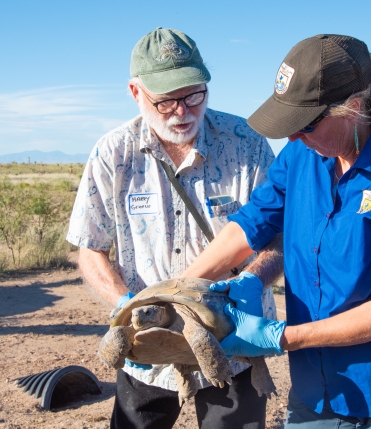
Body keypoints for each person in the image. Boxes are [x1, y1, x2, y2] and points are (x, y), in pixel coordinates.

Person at [181, 34, 371, 428]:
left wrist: (280, 337)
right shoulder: (303, 155)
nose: (293, 137)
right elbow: (252, 223)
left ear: (352, 108)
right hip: (319, 388)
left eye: (305, 124)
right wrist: (176, 292)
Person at [67, 27, 283, 429]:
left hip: (231, 343)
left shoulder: (247, 144)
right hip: (147, 352)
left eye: (193, 95)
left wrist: (252, 281)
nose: (182, 111)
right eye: (165, 101)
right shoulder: (113, 153)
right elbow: (90, 248)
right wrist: (123, 306)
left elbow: (279, 240)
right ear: (136, 92)